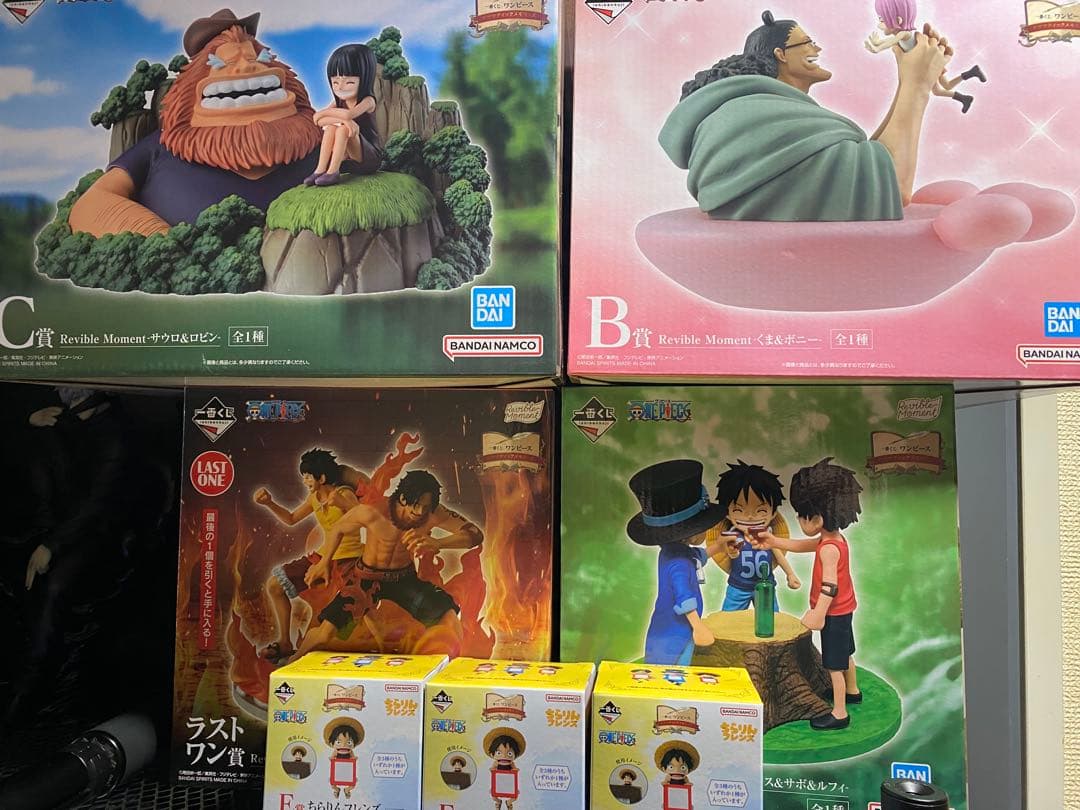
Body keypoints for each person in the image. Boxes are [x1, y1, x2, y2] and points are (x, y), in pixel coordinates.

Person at [659, 9, 955, 220]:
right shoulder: (755, 116)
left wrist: (910, 77)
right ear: (781, 54)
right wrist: (916, 84)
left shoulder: (771, 113)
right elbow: (891, 187)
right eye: (807, 42)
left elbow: (871, 163)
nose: (817, 48)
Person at [289, 470, 483, 659]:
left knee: (449, 617)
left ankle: (451, 667)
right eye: (416, 505)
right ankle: (292, 661)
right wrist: (324, 562)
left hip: (404, 579)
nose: (420, 512)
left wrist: (439, 543)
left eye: (426, 507)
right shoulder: (373, 512)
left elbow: (474, 534)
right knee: (325, 635)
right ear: (403, 498)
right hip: (367, 578)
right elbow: (338, 528)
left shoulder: (432, 513)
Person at [753, 457, 864, 730]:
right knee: (846, 653)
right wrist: (774, 540)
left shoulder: (829, 549)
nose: (799, 519)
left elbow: (829, 586)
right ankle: (853, 691)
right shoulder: (833, 539)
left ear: (818, 517)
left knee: (833, 665)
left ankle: (839, 712)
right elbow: (805, 545)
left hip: (833, 613)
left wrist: (818, 613)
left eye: (802, 515)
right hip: (845, 609)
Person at [253, 448, 362, 663]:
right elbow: (292, 518)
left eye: (308, 476)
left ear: (322, 478)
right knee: (275, 585)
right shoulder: (314, 497)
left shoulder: (344, 493)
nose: (304, 481)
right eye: (303, 476)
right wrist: (269, 503)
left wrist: (343, 504)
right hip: (322, 556)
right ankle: (285, 643)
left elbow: (364, 516)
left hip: (348, 559)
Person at [626, 460, 730, 665]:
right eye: (703, 527)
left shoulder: (674, 552)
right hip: (675, 632)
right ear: (691, 534)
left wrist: (718, 546)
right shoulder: (678, 563)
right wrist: (698, 627)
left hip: (672, 628)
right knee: (676, 667)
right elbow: (684, 597)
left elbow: (697, 558)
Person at [710, 460, 800, 612]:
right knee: (729, 620)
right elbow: (724, 549)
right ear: (728, 513)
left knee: (770, 619)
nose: (750, 516)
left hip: (766, 587)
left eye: (761, 511)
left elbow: (779, 556)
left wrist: (790, 574)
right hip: (738, 587)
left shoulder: (768, 536)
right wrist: (731, 551)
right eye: (739, 510)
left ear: (773, 513)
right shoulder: (732, 535)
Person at [866, 0, 986, 113]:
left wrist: (878, 48)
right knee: (941, 89)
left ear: (898, 19)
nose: (879, 25)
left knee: (945, 86)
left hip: (929, 64)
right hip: (926, 64)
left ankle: (968, 86)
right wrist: (877, 43)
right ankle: (966, 91)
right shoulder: (900, 35)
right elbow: (890, 41)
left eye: (882, 20)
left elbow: (891, 42)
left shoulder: (904, 34)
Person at [306, 43, 384, 187]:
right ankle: (320, 170)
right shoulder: (340, 102)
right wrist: (346, 121)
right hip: (349, 158)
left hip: (369, 158)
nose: (340, 87)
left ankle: (333, 172)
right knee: (331, 128)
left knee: (342, 129)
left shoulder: (368, 101)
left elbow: (348, 115)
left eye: (349, 82)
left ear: (365, 79)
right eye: (335, 82)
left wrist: (338, 118)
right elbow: (317, 120)